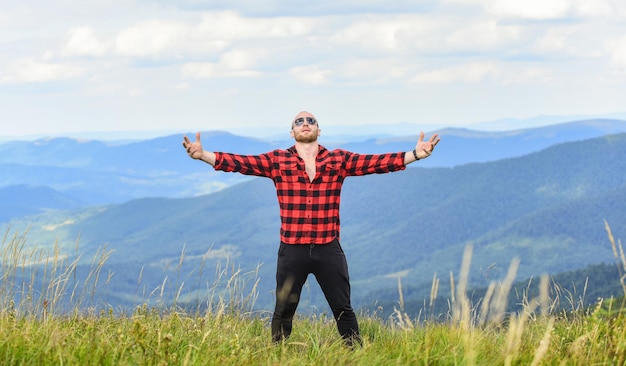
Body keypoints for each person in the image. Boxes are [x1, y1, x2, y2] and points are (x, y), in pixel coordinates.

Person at [182, 111, 440, 347]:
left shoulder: (338, 159)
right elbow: (240, 162)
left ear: (319, 130)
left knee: (343, 308)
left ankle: (356, 353)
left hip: (328, 248)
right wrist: (203, 155)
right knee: (283, 310)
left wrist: (416, 154)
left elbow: (376, 162)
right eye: (299, 122)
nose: (305, 123)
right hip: (292, 250)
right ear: (292, 133)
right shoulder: (278, 160)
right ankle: (277, 355)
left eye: (311, 121)